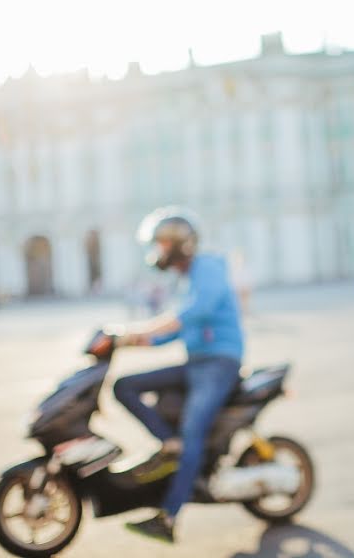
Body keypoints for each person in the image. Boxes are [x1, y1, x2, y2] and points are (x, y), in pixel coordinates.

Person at [112, 206, 244, 544]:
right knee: (124, 385)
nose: (158, 251)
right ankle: (168, 442)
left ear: (181, 244)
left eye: (163, 244)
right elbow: (173, 331)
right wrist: (129, 341)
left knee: (192, 432)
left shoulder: (208, 267)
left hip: (218, 363)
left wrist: (140, 328)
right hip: (196, 361)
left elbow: (193, 311)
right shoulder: (184, 279)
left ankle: (169, 517)